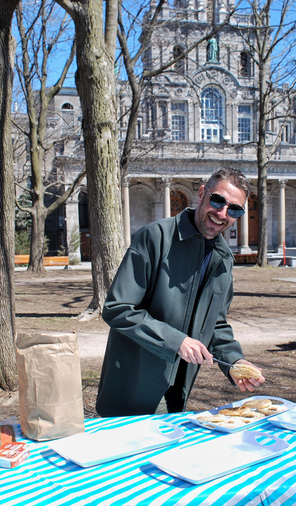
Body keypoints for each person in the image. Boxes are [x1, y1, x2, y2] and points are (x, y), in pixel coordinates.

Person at [95, 167, 265, 417]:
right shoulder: (154, 237)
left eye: (234, 209)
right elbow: (118, 308)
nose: (222, 213)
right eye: (217, 200)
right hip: (134, 387)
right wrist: (176, 341)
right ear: (201, 194)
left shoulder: (224, 259)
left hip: (179, 388)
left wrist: (234, 362)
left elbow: (215, 325)